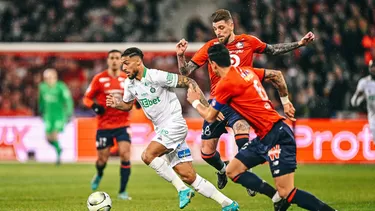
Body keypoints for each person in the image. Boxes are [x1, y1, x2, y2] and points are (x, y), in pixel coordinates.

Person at [175, 9, 315, 194]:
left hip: (240, 102)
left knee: (241, 130)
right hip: (217, 102)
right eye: (216, 29)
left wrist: (299, 44)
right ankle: (224, 170)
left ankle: (247, 177)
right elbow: (186, 72)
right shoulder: (211, 47)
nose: (219, 32)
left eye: (222, 28)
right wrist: (180, 55)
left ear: (232, 25)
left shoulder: (248, 41)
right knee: (207, 153)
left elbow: (272, 50)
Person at [187, 43, 337, 211]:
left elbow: (209, 115)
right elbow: (276, 76)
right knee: (233, 170)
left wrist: (194, 100)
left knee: (287, 192)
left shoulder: (226, 83)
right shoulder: (247, 71)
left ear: (213, 64)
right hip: (264, 135)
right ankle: (275, 197)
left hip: (276, 135)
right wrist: (286, 102)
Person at [106, 47, 239, 211]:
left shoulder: (157, 76)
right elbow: (128, 105)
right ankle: (228, 203)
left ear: (138, 62)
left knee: (148, 155)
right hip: (162, 130)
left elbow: (190, 81)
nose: (123, 68)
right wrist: (117, 104)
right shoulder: (130, 83)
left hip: (175, 124)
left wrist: (207, 106)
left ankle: (182, 190)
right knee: (189, 176)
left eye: (126, 63)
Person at [83, 50, 132, 200]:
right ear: (108, 61)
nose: (115, 61)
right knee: (102, 160)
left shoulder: (127, 79)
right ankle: (99, 173)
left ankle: (122, 191)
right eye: (112, 58)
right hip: (104, 126)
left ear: (122, 61)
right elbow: (87, 98)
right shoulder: (99, 79)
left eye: (118, 58)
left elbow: (135, 97)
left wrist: (136, 104)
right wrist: (95, 106)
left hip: (122, 125)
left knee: (125, 154)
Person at [38, 68, 73, 165]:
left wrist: (69, 113)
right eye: (46, 78)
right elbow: (41, 100)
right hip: (48, 115)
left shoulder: (61, 87)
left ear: (55, 77)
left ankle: (58, 158)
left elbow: (68, 100)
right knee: (48, 138)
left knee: (54, 135)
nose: (48, 80)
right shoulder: (42, 87)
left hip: (59, 115)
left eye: (50, 77)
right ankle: (59, 149)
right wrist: (40, 111)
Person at [351, 60, 375, 142]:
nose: (374, 69)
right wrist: (358, 95)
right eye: (372, 67)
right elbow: (354, 102)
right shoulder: (364, 82)